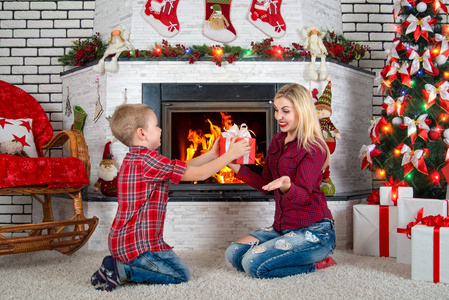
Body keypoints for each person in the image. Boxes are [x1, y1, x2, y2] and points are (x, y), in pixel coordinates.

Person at [91, 103, 251, 291]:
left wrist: (213, 154)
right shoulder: (149, 161)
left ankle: (119, 263)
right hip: (137, 245)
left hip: (128, 240)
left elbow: (185, 167)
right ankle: (121, 270)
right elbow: (199, 175)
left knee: (173, 266)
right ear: (142, 133)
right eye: (157, 125)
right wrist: (230, 155)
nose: (160, 129)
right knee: (180, 274)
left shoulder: (137, 159)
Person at [224, 83, 337, 279]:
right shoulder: (277, 141)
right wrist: (231, 165)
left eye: (285, 111)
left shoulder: (314, 147)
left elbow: (301, 196)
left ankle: (319, 263)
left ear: (302, 111)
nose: (278, 117)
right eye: (276, 110)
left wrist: (286, 185)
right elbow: (265, 184)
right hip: (282, 229)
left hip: (316, 232)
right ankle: (285, 252)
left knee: (253, 265)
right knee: (233, 255)